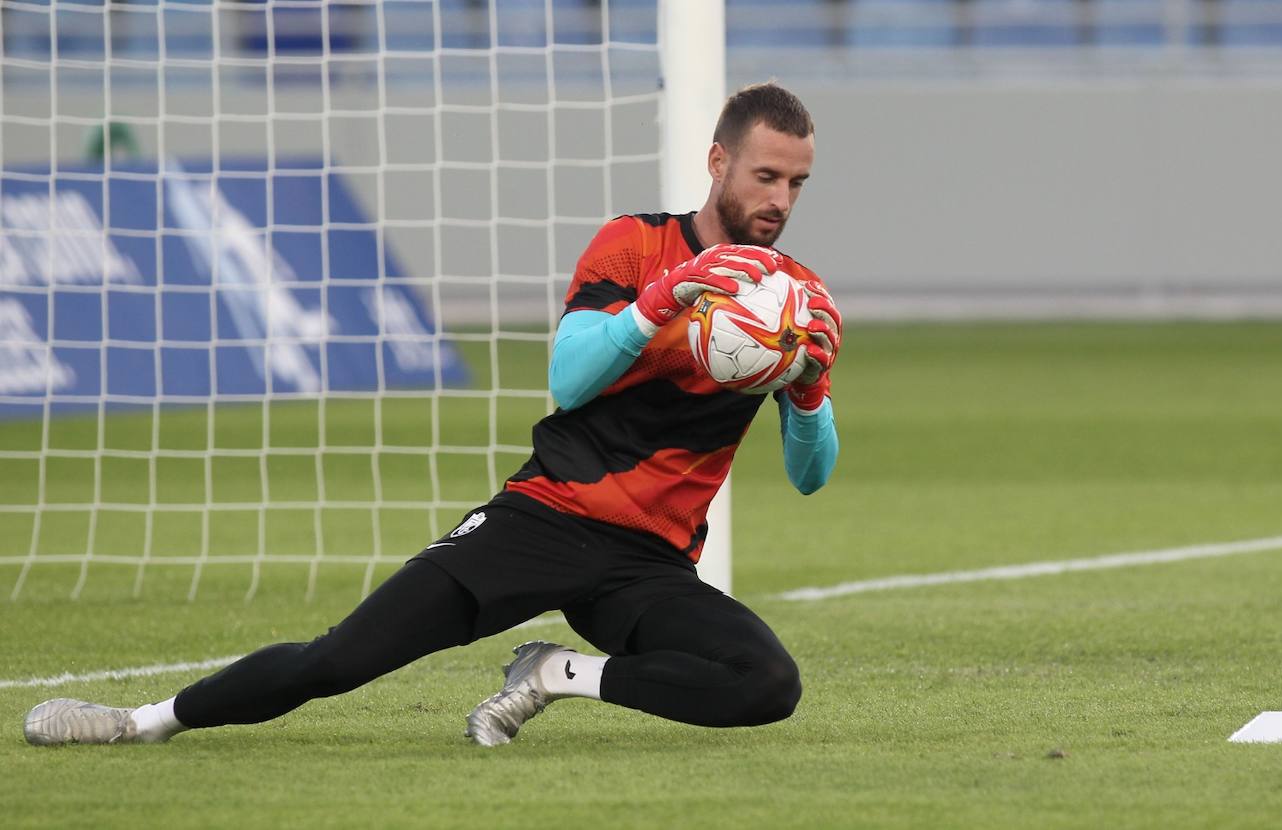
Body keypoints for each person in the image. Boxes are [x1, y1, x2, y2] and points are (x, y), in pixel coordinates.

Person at [23, 81, 842, 749]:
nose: (780, 199)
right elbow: (571, 379)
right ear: (717, 161)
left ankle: (557, 675)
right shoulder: (634, 246)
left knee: (766, 684)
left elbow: (810, 477)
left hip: (649, 562)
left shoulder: (790, 304)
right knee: (338, 660)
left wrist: (809, 393)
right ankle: (138, 723)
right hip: (545, 518)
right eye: (765, 176)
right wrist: (659, 302)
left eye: (796, 183)